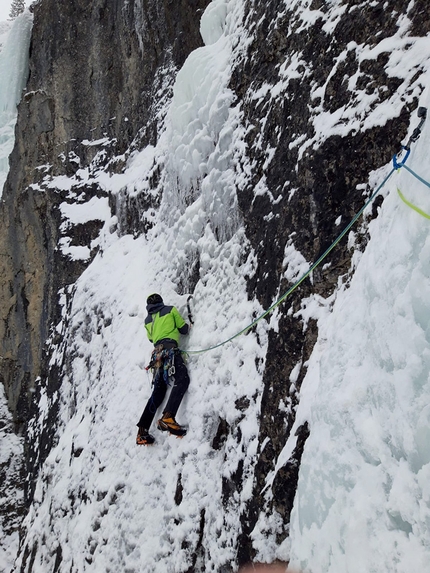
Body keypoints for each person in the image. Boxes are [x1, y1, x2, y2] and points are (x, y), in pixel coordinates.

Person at [136, 293, 190, 445]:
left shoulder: (147, 321)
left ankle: (142, 432)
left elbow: (151, 339)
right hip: (170, 350)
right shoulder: (170, 310)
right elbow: (183, 329)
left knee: (158, 392)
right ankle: (168, 416)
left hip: (157, 356)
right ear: (161, 302)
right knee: (182, 378)